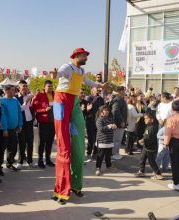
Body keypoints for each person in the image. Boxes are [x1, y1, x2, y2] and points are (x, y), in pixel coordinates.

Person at [52, 48, 106, 204]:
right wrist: (54, 75)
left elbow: (87, 82)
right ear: (76, 56)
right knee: (64, 148)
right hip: (60, 102)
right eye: (84, 56)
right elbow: (59, 74)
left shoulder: (81, 70)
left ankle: (76, 186)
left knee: (78, 147)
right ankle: (61, 190)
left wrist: (99, 85)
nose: (86, 58)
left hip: (74, 102)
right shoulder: (66, 67)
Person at [31, 80, 55, 168]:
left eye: (51, 86)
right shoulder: (40, 96)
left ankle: (48, 159)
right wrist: (44, 110)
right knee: (42, 142)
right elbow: (34, 108)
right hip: (43, 122)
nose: (50, 88)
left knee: (50, 141)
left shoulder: (55, 95)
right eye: (48, 86)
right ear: (44, 87)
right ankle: (40, 160)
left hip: (53, 123)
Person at [0, 85, 23, 172]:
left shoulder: (15, 101)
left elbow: (19, 114)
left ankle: (10, 163)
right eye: (13, 90)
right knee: (2, 148)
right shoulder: (2, 101)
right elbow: (3, 116)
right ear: (6, 91)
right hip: (5, 130)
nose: (15, 92)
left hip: (14, 129)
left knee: (12, 147)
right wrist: (5, 128)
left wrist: (20, 125)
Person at [134, 112, 163, 180]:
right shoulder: (148, 126)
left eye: (146, 118)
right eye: (144, 118)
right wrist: (143, 139)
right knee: (142, 158)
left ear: (152, 119)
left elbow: (151, 139)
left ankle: (158, 174)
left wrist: (143, 141)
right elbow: (146, 136)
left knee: (151, 161)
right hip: (146, 147)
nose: (145, 120)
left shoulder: (152, 128)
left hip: (150, 148)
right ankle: (141, 171)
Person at [16, 80, 36, 168]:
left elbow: (33, 109)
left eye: (26, 86)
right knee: (22, 142)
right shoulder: (16, 98)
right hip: (21, 122)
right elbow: (20, 109)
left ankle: (30, 160)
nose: (25, 88)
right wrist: (27, 101)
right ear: (19, 88)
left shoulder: (30, 96)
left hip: (29, 121)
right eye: (23, 86)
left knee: (30, 141)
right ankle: (20, 161)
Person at [95, 105, 116, 176]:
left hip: (109, 140)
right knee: (100, 155)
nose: (107, 111)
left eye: (107, 110)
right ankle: (98, 168)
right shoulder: (99, 119)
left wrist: (114, 126)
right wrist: (109, 126)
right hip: (102, 141)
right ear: (101, 112)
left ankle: (108, 166)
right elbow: (101, 129)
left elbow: (113, 125)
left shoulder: (110, 118)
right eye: (105, 110)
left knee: (108, 155)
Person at [86, 87, 104, 160]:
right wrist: (94, 99)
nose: (98, 91)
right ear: (92, 91)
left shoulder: (101, 99)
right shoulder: (89, 98)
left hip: (98, 120)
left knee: (97, 138)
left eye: (98, 90)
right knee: (90, 137)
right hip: (90, 120)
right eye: (96, 90)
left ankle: (95, 153)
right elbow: (87, 108)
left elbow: (103, 108)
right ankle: (89, 151)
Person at [109, 86, 127, 160]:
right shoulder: (118, 99)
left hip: (119, 123)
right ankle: (114, 154)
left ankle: (116, 152)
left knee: (118, 139)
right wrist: (121, 121)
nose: (125, 92)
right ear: (120, 91)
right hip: (118, 123)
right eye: (124, 90)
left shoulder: (120, 98)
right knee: (116, 139)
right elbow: (115, 111)